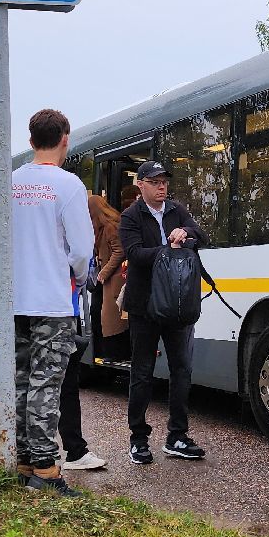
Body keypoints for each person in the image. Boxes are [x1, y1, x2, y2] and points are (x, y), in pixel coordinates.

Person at [10, 108, 95, 494]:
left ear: (30, 141)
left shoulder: (9, 182)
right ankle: (45, 471)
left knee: (24, 380)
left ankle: (25, 458)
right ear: (65, 138)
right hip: (51, 300)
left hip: (15, 300)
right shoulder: (69, 185)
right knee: (48, 384)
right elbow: (81, 249)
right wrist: (77, 276)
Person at [119, 160, 209, 464]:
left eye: (164, 182)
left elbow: (201, 236)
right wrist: (167, 248)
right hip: (144, 306)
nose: (162, 187)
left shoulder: (176, 210)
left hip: (177, 304)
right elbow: (133, 254)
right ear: (141, 185)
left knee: (182, 369)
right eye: (155, 182)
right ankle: (138, 439)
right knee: (142, 372)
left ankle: (177, 436)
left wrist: (186, 233)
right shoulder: (130, 216)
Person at [89, 193, 129, 360]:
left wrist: (104, 272)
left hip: (113, 278)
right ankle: (103, 352)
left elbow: (119, 251)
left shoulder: (110, 227)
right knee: (98, 313)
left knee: (109, 317)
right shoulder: (103, 226)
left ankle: (112, 354)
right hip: (107, 278)